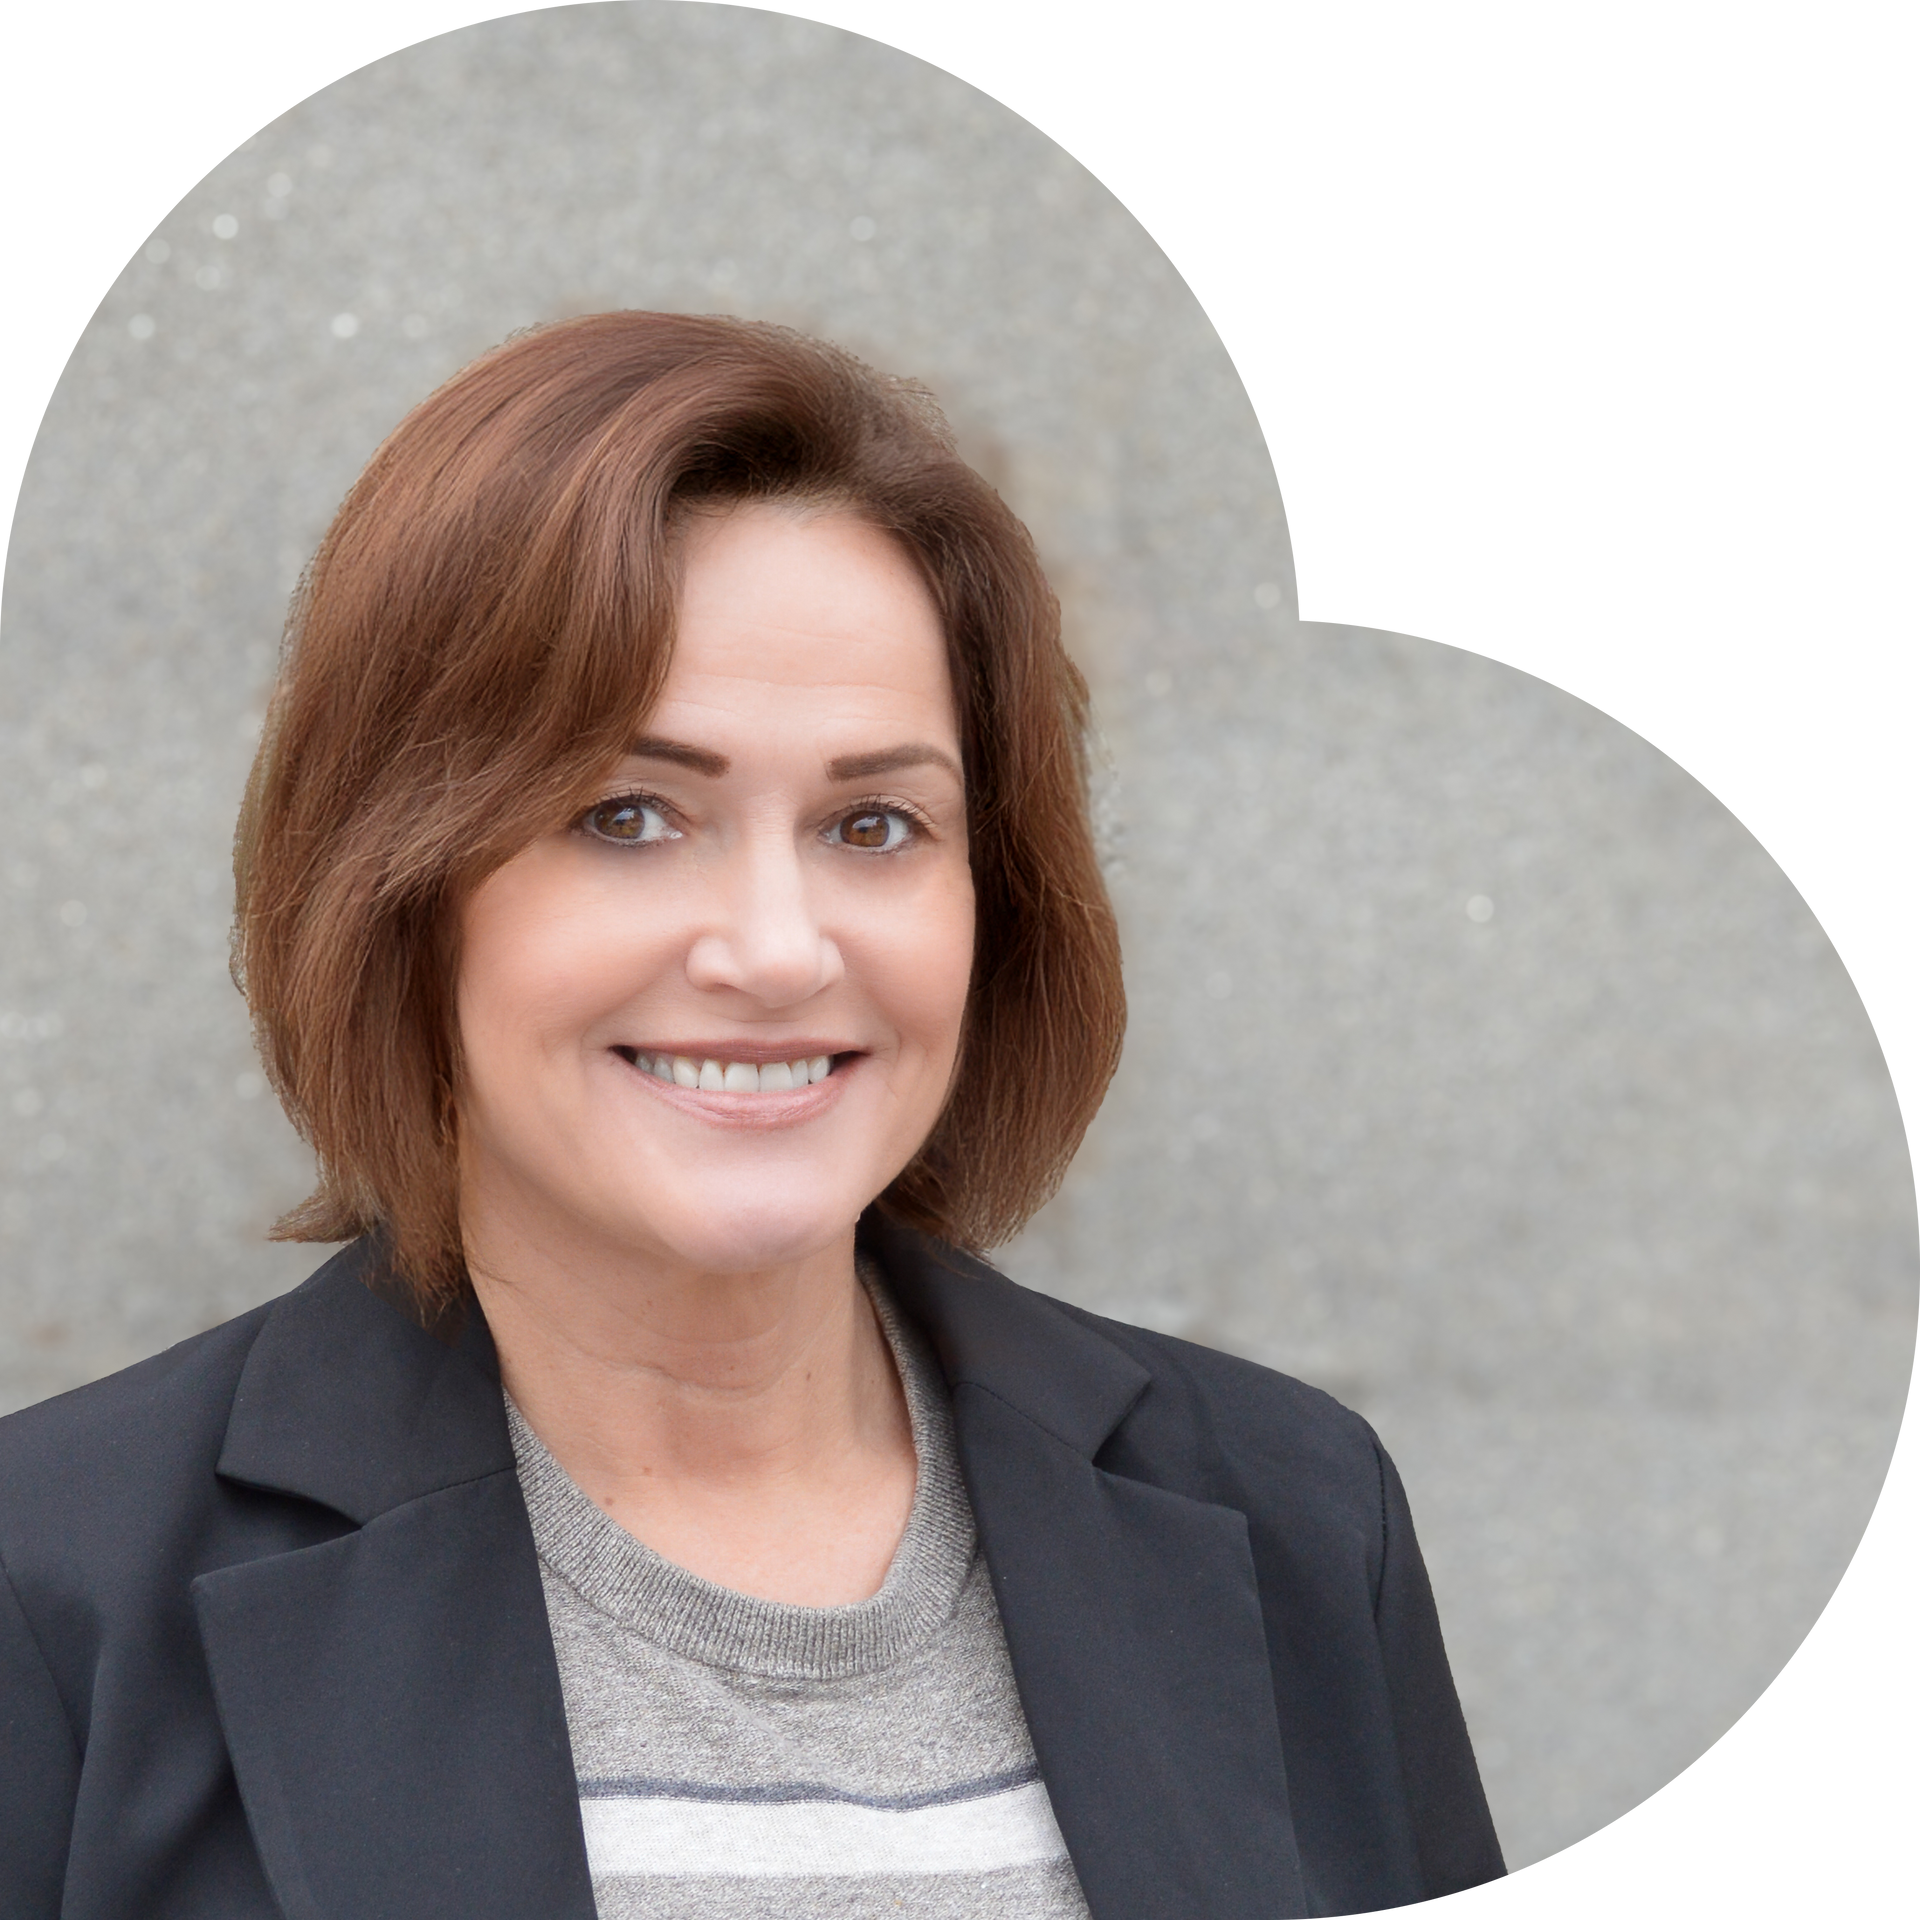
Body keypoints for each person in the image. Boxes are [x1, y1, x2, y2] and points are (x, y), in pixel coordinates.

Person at [0, 312, 1505, 1918]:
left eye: (876, 822)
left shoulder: (1296, 1514)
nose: (781, 950)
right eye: (629, 814)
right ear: (404, 885)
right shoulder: (54, 1589)